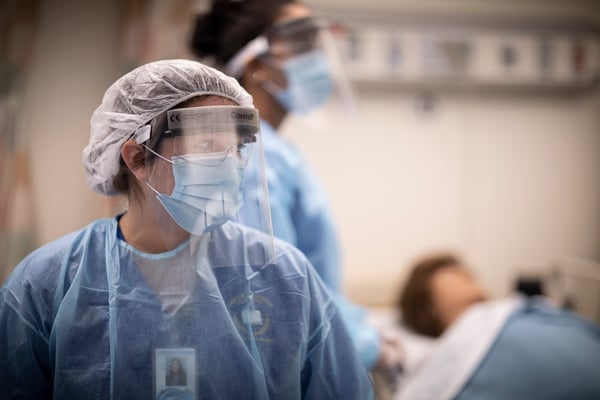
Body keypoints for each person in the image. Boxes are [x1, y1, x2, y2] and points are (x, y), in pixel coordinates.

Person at [0, 59, 373, 399]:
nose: (230, 165)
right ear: (137, 158)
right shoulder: (48, 284)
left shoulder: (282, 275)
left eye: (238, 147)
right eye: (208, 144)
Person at [190, 0, 402, 376]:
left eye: (316, 41)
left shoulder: (275, 151)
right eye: (301, 42)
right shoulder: (251, 157)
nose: (317, 56)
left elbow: (316, 283)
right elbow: (271, 298)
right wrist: (368, 350)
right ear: (255, 65)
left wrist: (365, 331)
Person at [392, 252, 600, 400]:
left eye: (466, 271)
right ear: (427, 307)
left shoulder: (512, 312)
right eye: (451, 273)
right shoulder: (455, 367)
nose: (466, 274)